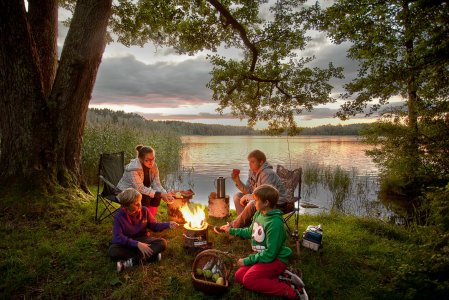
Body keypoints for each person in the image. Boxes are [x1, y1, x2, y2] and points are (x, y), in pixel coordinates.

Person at [220, 184, 308, 300]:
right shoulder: (259, 214)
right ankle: (282, 278)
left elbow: (270, 254)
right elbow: (249, 232)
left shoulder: (275, 223)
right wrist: (230, 230)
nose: (253, 202)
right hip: (263, 258)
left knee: (248, 280)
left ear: (266, 203)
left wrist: (247, 261)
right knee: (239, 276)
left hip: (275, 260)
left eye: (256, 200)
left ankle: (289, 290)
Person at [215, 149, 288, 232]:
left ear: (261, 162)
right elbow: (249, 190)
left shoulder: (267, 173)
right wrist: (238, 182)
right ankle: (246, 227)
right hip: (262, 199)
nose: (250, 164)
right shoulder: (252, 172)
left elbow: (265, 195)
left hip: (276, 203)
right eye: (249, 162)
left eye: (252, 162)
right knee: (237, 196)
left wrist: (247, 197)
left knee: (253, 202)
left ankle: (232, 227)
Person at [108, 188, 179, 272]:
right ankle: (151, 256)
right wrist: (137, 244)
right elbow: (118, 238)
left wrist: (167, 225)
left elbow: (154, 226)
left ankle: (130, 262)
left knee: (162, 243)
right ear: (126, 206)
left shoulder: (144, 210)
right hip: (128, 242)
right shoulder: (119, 216)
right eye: (136, 204)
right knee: (113, 252)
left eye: (140, 202)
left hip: (142, 238)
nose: (140, 206)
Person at [117, 145, 174, 218]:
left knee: (156, 197)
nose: (151, 162)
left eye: (153, 159)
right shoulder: (134, 169)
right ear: (140, 159)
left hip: (141, 191)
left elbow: (156, 184)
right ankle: (141, 222)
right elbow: (140, 188)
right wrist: (159, 194)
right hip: (124, 193)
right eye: (148, 160)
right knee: (145, 197)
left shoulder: (154, 167)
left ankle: (150, 220)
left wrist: (165, 194)